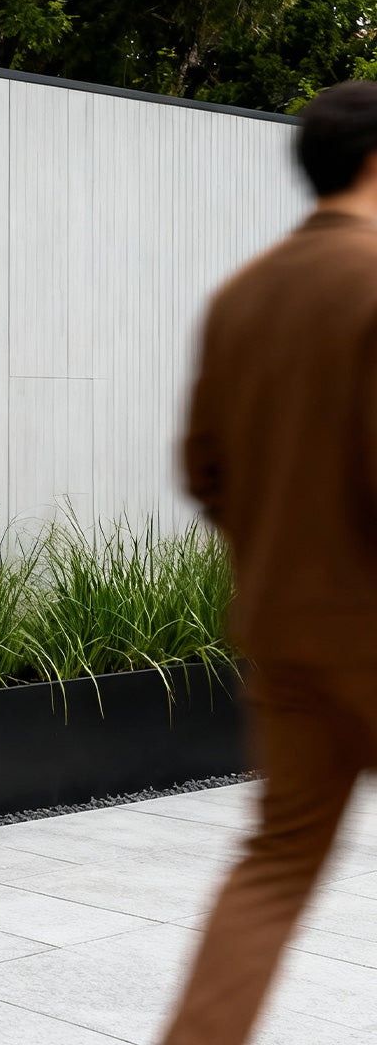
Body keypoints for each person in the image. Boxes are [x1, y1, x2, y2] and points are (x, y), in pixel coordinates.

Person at [161, 79, 377, 1045]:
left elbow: (204, 468)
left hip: (285, 636)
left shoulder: (240, 297)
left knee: (275, 865)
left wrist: (286, 548)